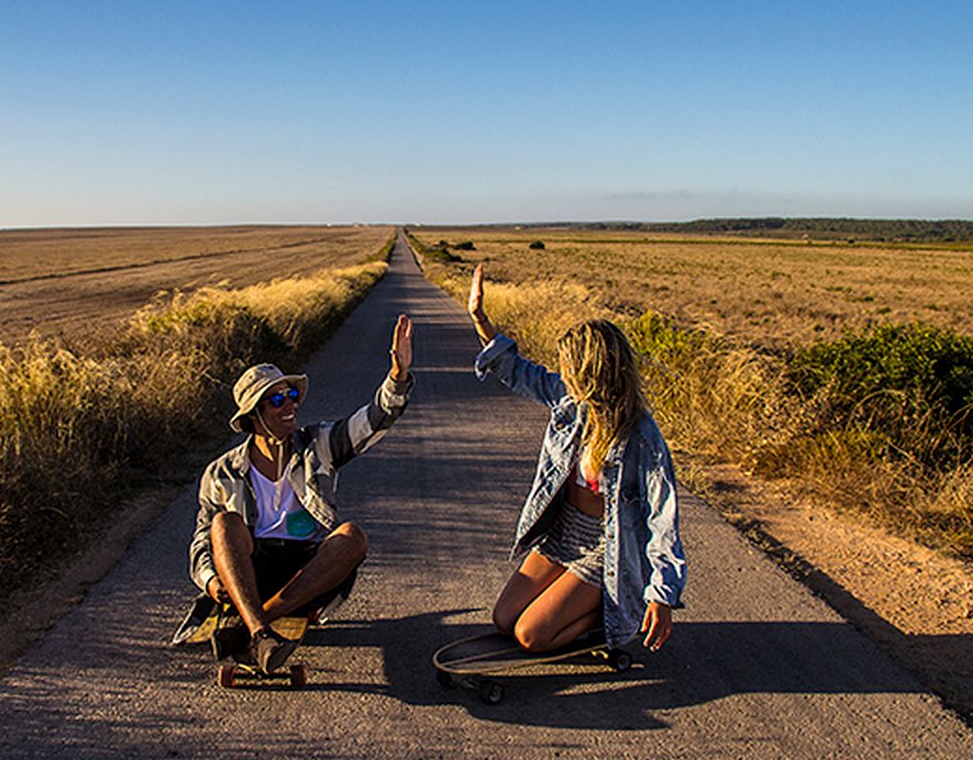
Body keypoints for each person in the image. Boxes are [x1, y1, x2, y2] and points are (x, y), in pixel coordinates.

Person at [174, 315, 414, 673]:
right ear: (254, 415)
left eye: (292, 395)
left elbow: (373, 421)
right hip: (250, 573)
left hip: (309, 570)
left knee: (352, 536)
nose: (291, 405)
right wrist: (210, 581)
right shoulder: (221, 473)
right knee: (224, 523)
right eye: (277, 400)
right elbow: (201, 540)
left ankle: (249, 629)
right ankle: (261, 632)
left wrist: (397, 377)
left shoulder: (319, 445)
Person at [467, 264, 686, 653]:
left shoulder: (642, 438)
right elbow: (516, 370)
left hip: (607, 548)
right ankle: (581, 603)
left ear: (591, 374)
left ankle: (617, 612)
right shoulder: (571, 404)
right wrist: (480, 318)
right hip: (564, 533)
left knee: (530, 635)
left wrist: (661, 594)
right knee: (504, 619)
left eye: (570, 368)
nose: (562, 374)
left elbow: (662, 519)